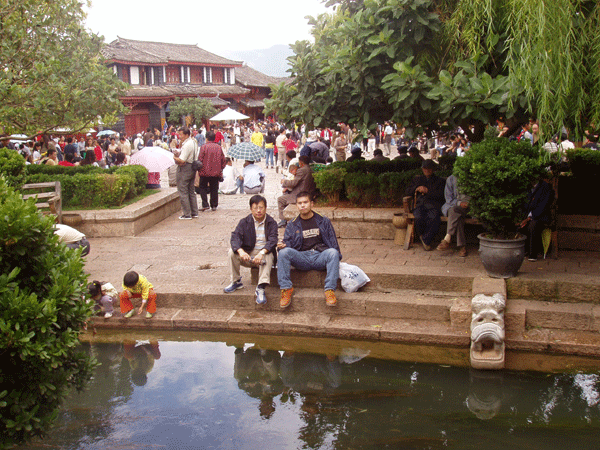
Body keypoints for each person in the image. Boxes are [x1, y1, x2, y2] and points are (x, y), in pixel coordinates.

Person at [277, 191, 342, 308]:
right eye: (299, 203)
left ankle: (329, 290)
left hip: (320, 255)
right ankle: (286, 289)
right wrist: (282, 246)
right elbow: (288, 245)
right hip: (302, 257)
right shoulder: (292, 224)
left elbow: (333, 244)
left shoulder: (323, 221)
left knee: (333, 252)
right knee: (283, 252)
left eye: (305, 202)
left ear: (311, 204)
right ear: (296, 205)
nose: (302, 205)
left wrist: (336, 259)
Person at [224, 195, 278, 305]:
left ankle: (261, 287)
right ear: (251, 209)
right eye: (255, 208)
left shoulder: (271, 223)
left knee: (268, 255)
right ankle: (236, 281)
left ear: (266, 208)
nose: (258, 211)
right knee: (231, 252)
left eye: (261, 207)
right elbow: (235, 237)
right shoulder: (244, 222)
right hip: (249, 254)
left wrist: (262, 253)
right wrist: (241, 251)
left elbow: (273, 240)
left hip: (263, 255)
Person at [405, 159, 446, 251]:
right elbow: (407, 192)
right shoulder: (418, 179)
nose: (427, 170)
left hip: (433, 205)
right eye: (425, 168)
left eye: (429, 168)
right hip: (420, 205)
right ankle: (424, 238)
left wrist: (428, 191)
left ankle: (425, 239)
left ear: (433, 169)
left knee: (434, 218)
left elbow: (442, 196)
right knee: (418, 217)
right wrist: (417, 188)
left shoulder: (440, 181)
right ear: (422, 169)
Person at [519, 178, 555, 261]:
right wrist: (523, 218)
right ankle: (523, 251)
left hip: (541, 216)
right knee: (519, 225)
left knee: (533, 225)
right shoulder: (526, 187)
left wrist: (529, 218)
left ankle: (533, 254)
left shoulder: (545, 187)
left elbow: (543, 206)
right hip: (528, 215)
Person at [437, 174, 471, 257]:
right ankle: (462, 247)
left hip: (469, 208)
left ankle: (447, 238)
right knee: (455, 214)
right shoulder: (451, 179)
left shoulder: (472, 177)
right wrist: (460, 203)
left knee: (454, 213)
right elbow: (449, 199)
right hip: (455, 207)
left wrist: (468, 203)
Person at [277, 155, 316, 228]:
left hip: (299, 194)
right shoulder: (309, 169)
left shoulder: (302, 170)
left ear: (301, 162)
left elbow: (293, 183)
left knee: (280, 199)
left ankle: (283, 220)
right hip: (305, 192)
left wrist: (284, 182)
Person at [173, 126, 199, 219]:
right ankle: (194, 212)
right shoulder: (193, 142)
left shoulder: (187, 144)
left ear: (186, 135)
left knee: (183, 190)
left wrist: (174, 158)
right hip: (192, 167)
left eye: (181, 134)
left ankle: (187, 213)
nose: (179, 136)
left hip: (185, 168)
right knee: (191, 191)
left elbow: (182, 160)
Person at [198, 130, 226, 211]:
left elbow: (200, 159)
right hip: (215, 173)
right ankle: (214, 205)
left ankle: (205, 204)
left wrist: (199, 169)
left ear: (206, 138)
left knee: (202, 187)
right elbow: (223, 160)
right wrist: (220, 168)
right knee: (214, 188)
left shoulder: (203, 147)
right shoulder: (218, 147)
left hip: (204, 172)